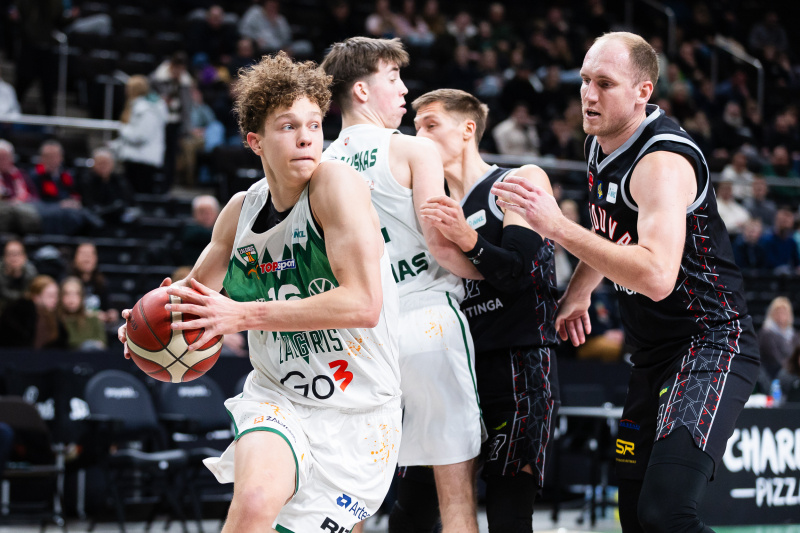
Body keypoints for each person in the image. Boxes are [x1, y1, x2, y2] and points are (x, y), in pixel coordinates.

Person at [117, 52, 401, 533]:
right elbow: (192, 296)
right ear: (255, 141)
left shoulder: (336, 185)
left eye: (314, 125)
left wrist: (243, 315)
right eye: (288, 126)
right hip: (279, 397)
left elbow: (363, 304)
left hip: (361, 412)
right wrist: (146, 322)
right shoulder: (240, 211)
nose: (306, 137)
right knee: (252, 503)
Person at [492, 32, 760, 533]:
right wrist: (578, 293)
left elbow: (656, 276)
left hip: (710, 344)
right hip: (652, 352)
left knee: (666, 513)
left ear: (643, 91)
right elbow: (609, 230)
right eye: (584, 81)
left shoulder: (662, 161)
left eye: (605, 83)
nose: (588, 95)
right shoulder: (600, 145)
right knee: (635, 519)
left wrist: (556, 226)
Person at [320, 37, 484, 533]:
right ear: (362, 91)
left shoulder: (319, 168)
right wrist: (496, 271)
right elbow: (441, 246)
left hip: (361, 334)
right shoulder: (414, 148)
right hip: (427, 319)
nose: (404, 91)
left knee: (350, 495)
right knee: (455, 495)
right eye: (393, 79)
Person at [412, 88, 560, 533]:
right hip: (454, 367)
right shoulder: (427, 206)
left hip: (519, 364)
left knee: (507, 515)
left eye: (431, 125)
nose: (419, 138)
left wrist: (466, 237)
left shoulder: (517, 180)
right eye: (415, 128)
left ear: (467, 129)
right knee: (411, 510)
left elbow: (517, 272)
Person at [113, 75, 168, 193]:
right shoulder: (138, 107)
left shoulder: (148, 110)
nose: (125, 91)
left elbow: (140, 136)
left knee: (139, 196)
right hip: (135, 159)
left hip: (143, 161)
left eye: (128, 88)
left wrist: (122, 129)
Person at [151, 52, 193, 189]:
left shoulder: (185, 83)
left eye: (181, 70)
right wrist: (161, 99)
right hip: (158, 122)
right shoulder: (157, 78)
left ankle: (167, 184)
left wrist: (187, 128)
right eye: (176, 69)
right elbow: (150, 95)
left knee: (172, 154)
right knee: (159, 151)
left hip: (176, 122)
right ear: (171, 66)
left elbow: (187, 107)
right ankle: (156, 182)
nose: (178, 73)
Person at [0, 274, 66, 348]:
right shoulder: (18, 314)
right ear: (36, 297)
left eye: (56, 295)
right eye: (50, 296)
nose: (55, 300)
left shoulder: (54, 318)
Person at [80, 149, 133, 225]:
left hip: (117, 214)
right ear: (94, 164)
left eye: (106, 163)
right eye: (100, 163)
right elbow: (88, 203)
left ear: (112, 164)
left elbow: (127, 200)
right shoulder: (86, 180)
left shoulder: (119, 180)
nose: (103, 166)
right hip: (97, 215)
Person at [70, 242, 118, 323]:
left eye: (90, 254)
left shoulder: (101, 282)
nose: (86, 258)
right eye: (83, 254)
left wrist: (111, 314)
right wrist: (92, 315)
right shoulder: (68, 282)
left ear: (96, 259)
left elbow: (107, 308)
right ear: (75, 258)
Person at [0, 140, 40, 235]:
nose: (2, 160)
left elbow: (34, 196)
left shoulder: (21, 174)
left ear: (12, 158)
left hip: (22, 209)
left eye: (5, 157)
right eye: (0, 157)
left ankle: (28, 237)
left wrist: (20, 201)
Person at [58, 276, 106, 350]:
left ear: (82, 296)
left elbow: (102, 344)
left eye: (76, 294)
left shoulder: (93, 319)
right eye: (67, 294)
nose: (71, 298)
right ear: (60, 296)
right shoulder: (56, 321)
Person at [758, 297, 798, 384]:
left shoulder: (794, 335)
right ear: (772, 313)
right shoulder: (766, 334)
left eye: (784, 312)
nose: (781, 315)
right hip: (774, 376)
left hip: (792, 373)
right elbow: (776, 360)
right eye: (778, 312)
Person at [181, 195, 220, 265]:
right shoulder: (190, 231)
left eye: (209, 212)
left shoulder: (219, 229)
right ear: (194, 214)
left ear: (217, 213)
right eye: (202, 212)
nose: (206, 215)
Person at [0, 239, 37, 313]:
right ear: (4, 257)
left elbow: (31, 295)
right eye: (10, 254)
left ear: (24, 256)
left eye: (17, 254)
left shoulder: (31, 273)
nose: (13, 258)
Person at [762, 208, 800, 273]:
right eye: (782, 221)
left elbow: (796, 263)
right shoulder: (767, 239)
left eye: (787, 221)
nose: (784, 225)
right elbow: (769, 262)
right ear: (776, 221)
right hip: (769, 275)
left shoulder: (791, 242)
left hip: (788, 273)